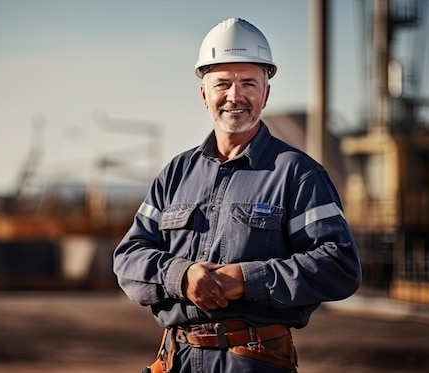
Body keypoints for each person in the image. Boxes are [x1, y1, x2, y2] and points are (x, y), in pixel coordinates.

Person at [113, 17, 361, 373]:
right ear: (204, 94)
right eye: (222, 84)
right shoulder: (175, 174)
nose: (234, 96)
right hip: (177, 359)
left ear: (266, 93)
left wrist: (246, 279)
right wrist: (181, 276)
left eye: (248, 83)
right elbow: (128, 258)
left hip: (254, 361)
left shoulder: (298, 173)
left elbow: (340, 266)